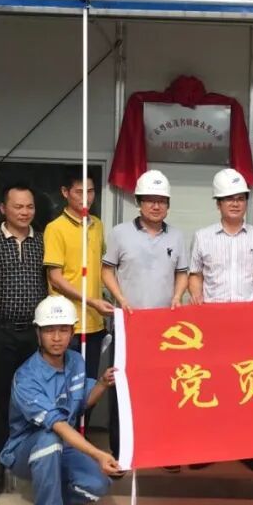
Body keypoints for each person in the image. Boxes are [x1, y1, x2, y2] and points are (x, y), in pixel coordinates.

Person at [0, 295, 121, 505]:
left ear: (72, 332)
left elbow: (82, 400)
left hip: (64, 445)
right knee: (50, 437)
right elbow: (59, 425)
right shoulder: (27, 377)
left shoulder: (76, 361)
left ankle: (49, 491)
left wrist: (102, 383)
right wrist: (98, 454)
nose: (57, 338)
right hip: (26, 450)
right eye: (49, 331)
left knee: (98, 486)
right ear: (38, 333)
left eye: (63, 330)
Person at [101, 169, 188, 470]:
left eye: (161, 200)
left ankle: (165, 452)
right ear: (138, 202)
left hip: (165, 331)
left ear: (168, 205)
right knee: (122, 390)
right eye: (150, 200)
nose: (156, 206)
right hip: (128, 326)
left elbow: (182, 273)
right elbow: (107, 270)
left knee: (165, 391)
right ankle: (121, 454)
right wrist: (120, 299)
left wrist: (178, 296)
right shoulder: (120, 233)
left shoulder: (177, 236)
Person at [188, 168, 253, 472]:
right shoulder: (203, 237)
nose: (235, 203)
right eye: (228, 199)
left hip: (249, 326)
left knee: (246, 385)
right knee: (213, 386)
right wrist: (196, 296)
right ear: (218, 203)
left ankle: (246, 447)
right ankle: (209, 447)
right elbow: (195, 274)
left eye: (240, 198)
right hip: (213, 326)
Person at [0, 181, 48, 492]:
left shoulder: (42, 242)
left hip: (34, 335)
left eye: (29, 206)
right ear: (3, 208)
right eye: (18, 206)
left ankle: (30, 457)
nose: (24, 212)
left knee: (33, 397)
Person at [44, 168, 114, 385]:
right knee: (65, 387)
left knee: (89, 385)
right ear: (65, 192)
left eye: (91, 192)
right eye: (79, 192)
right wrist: (91, 301)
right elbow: (55, 278)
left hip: (95, 322)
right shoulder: (55, 228)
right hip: (66, 323)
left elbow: (101, 268)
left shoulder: (97, 225)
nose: (86, 198)